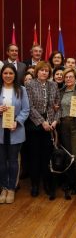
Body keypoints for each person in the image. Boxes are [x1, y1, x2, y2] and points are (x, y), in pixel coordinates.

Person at [25, 61, 60, 199]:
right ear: (37, 71)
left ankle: (47, 184)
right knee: (35, 157)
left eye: (46, 70)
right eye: (41, 70)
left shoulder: (54, 85)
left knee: (47, 156)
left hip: (50, 125)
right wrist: (42, 122)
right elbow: (30, 107)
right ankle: (34, 185)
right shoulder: (29, 85)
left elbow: (57, 106)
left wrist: (56, 120)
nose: (44, 72)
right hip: (34, 125)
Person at [0, 64, 30, 204]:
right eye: (5, 73)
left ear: (15, 75)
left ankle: (11, 188)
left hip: (15, 130)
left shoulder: (21, 90)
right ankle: (4, 188)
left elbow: (26, 110)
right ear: (1, 74)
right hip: (0, 131)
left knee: (12, 162)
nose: (7, 75)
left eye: (10, 73)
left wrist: (17, 122)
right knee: (1, 163)